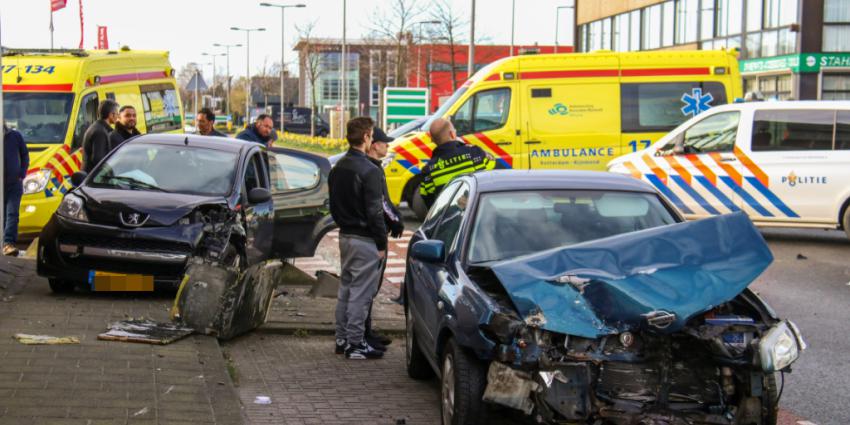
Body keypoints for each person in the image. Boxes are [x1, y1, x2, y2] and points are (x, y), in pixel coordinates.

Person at [328, 116, 387, 360]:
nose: (373, 139)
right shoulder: (370, 171)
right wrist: (381, 243)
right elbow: (375, 211)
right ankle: (355, 343)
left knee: (346, 288)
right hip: (365, 239)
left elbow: (333, 205)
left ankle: (341, 338)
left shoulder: (338, 167)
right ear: (365, 137)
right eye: (371, 135)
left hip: (345, 236)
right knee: (361, 293)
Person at [362, 127, 403, 350]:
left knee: (367, 288)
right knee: (368, 287)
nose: (387, 146)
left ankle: (366, 331)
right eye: (384, 143)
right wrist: (396, 220)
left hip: (369, 234)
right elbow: (379, 204)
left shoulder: (371, 167)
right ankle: (363, 334)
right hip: (372, 237)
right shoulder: (372, 169)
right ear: (374, 144)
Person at [419, 118, 496, 208]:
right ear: (452, 134)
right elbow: (492, 163)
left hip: (448, 217)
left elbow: (427, 199)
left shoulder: (428, 170)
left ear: (433, 140)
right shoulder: (474, 153)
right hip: (476, 211)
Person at [3, 124, 29, 256]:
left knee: (12, 214)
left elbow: (25, 155)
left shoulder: (15, 136)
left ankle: (8, 244)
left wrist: (22, 173)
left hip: (14, 184)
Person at [82, 99, 119, 173]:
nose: (117, 116)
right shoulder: (100, 132)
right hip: (93, 177)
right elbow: (98, 160)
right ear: (111, 115)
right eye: (117, 114)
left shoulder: (96, 127)